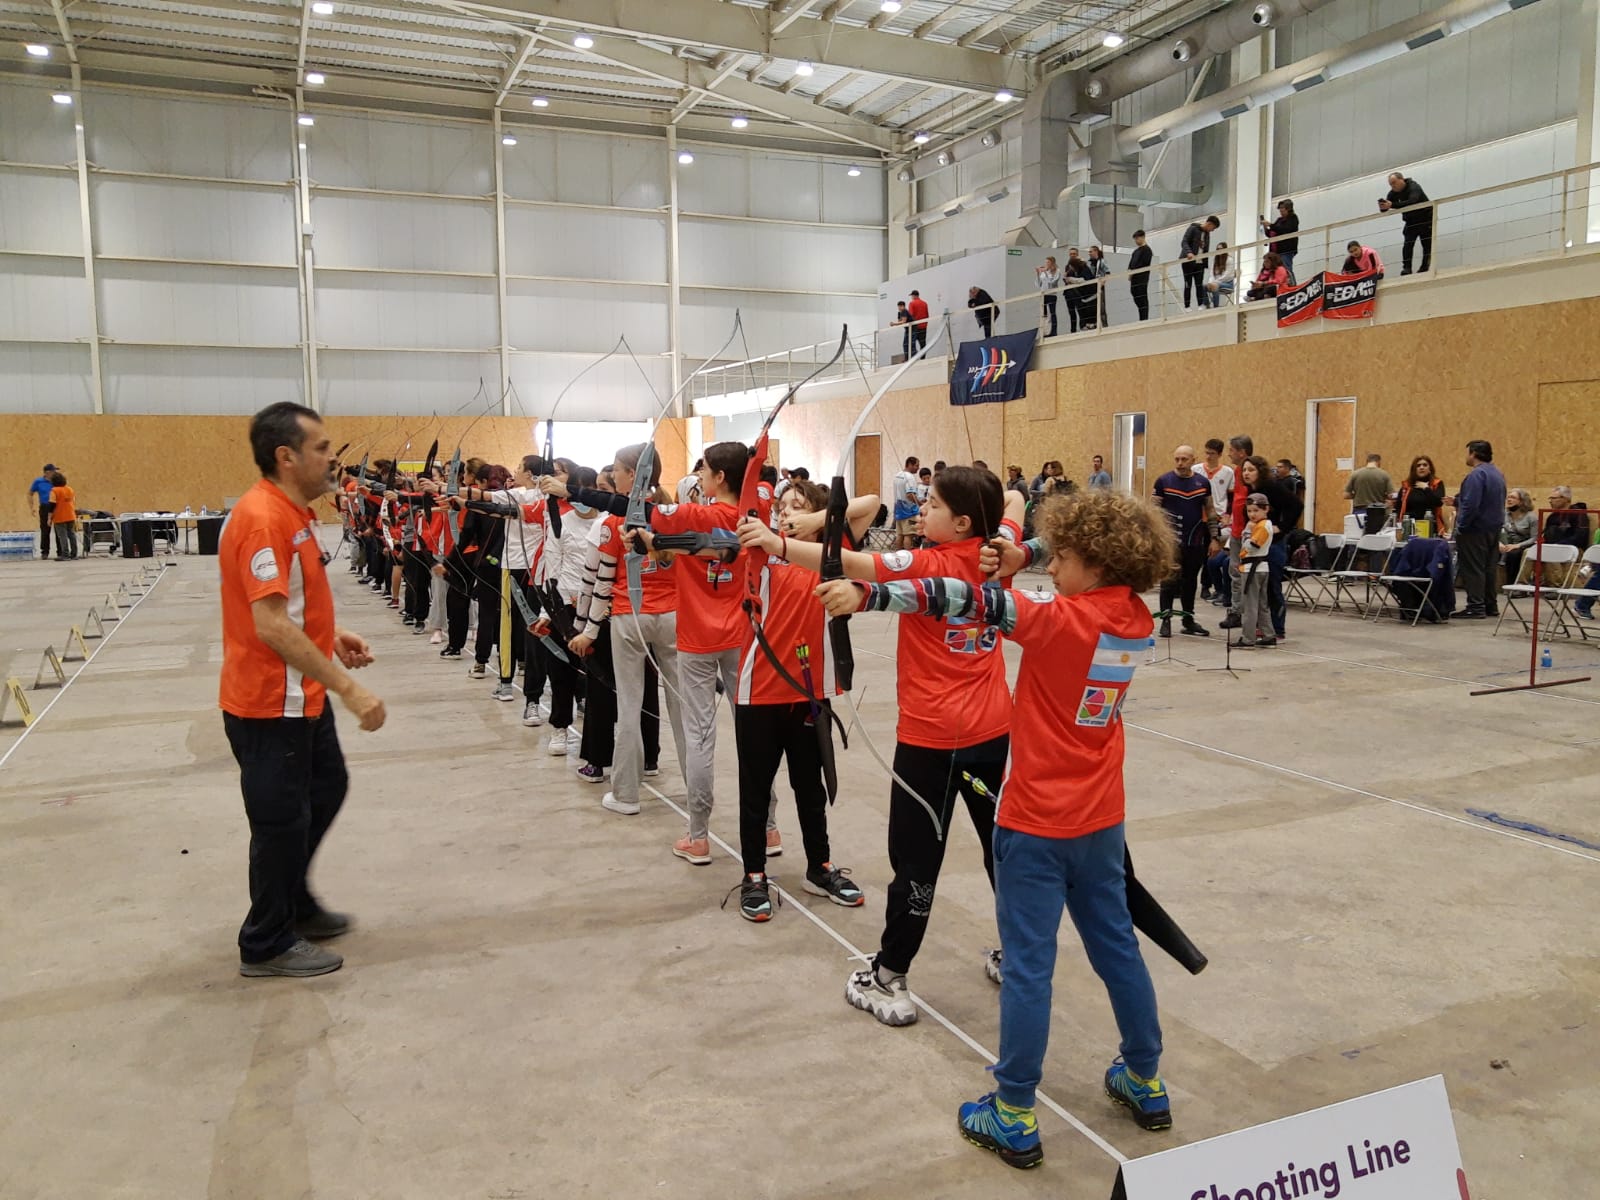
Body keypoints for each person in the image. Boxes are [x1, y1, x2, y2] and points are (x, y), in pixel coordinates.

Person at [818, 488, 1179, 1164]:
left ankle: (1013, 1110)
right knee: (1116, 949)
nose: (1052, 569)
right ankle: (1146, 1077)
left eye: (1062, 559)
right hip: (1101, 820)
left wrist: (867, 598)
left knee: (1029, 966)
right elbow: (1022, 562)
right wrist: (1026, 550)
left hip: (1038, 825)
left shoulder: (1058, 621)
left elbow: (965, 601)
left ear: (1093, 565)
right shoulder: (1133, 618)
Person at [751, 468, 1027, 1026]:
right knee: (1005, 851)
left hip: (931, 741)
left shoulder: (929, 562)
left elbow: (855, 567)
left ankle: (888, 976)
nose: (921, 510)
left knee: (917, 860)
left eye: (934, 505)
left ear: (963, 521)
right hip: (993, 733)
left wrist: (779, 542)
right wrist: (1004, 543)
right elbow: (1016, 497)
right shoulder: (1001, 555)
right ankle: (1021, 958)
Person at [219, 402, 385, 979]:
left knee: (326, 788)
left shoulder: (295, 514)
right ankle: (265, 940)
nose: (332, 459)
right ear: (285, 457)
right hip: (271, 703)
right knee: (280, 821)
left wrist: (331, 635)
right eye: (321, 449)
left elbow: (285, 606)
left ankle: (294, 902)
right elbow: (268, 624)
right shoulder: (264, 518)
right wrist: (350, 690)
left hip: (301, 695)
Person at [726, 480, 880, 920]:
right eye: (782, 507)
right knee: (755, 790)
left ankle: (820, 867)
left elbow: (871, 504)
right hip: (759, 693)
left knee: (810, 788)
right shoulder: (763, 549)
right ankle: (754, 875)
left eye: (798, 506)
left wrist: (819, 519)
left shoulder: (834, 557)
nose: (786, 514)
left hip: (811, 693)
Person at [1152, 447, 1215, 639]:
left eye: (1184, 459)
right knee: (1169, 582)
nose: (1180, 463)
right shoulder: (1163, 481)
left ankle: (1188, 620)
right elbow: (1153, 511)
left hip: (1194, 541)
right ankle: (1166, 620)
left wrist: (1215, 538)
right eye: (1177, 459)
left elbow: (1211, 511)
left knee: (1190, 583)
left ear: (1193, 460)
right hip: (1171, 542)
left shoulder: (1203, 483)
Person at [1453, 440, 1506, 619]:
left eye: (1467, 452)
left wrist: (1462, 526)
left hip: (1475, 530)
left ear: (1473, 453)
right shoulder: (1497, 474)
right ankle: (1490, 605)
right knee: (1489, 569)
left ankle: (1475, 606)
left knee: (1473, 568)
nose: (1466, 456)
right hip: (1493, 528)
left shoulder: (1477, 475)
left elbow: (1471, 504)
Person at [1232, 493, 1276, 648]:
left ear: (1266, 510)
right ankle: (1268, 634)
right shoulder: (1263, 525)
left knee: (1249, 605)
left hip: (1254, 569)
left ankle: (1248, 638)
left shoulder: (1261, 527)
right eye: (1249, 511)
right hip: (1259, 568)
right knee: (1261, 604)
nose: (1252, 514)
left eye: (1256, 510)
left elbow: (1251, 546)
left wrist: (1247, 533)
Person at [1379, 171, 1433, 274]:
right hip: (1411, 221)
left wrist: (1392, 205)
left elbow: (1413, 201)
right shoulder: (1392, 193)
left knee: (1426, 243)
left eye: (1394, 182)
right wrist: (1383, 206)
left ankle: (1425, 266)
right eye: (1390, 184)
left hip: (1425, 219)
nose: (1393, 186)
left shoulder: (1414, 187)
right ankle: (1407, 268)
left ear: (1401, 179)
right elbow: (1387, 206)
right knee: (1408, 244)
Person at [1393, 455, 1449, 535]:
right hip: (1409, 527)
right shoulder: (1407, 486)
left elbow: (1438, 502)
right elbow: (1398, 506)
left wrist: (1426, 488)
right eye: (1418, 465)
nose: (1421, 467)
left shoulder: (1436, 484)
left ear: (1430, 469)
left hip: (1431, 527)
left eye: (1425, 465)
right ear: (1414, 469)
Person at [1344, 453, 1393, 534]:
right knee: (1375, 539)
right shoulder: (1384, 474)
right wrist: (1383, 496)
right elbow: (1391, 495)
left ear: (1367, 461)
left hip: (1359, 513)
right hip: (1377, 513)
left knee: (1356, 537)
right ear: (1379, 462)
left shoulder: (1355, 474)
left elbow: (1346, 495)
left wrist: (1358, 494)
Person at [1180, 215, 1219, 309]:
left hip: (1200, 263)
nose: (1212, 230)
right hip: (1188, 261)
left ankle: (1200, 304)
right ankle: (1187, 306)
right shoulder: (1193, 229)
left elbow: (1205, 248)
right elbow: (1184, 242)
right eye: (1213, 228)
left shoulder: (1207, 234)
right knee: (1188, 284)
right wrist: (1189, 252)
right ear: (1209, 224)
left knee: (1199, 284)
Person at [1498, 488, 1537, 583]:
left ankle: (1513, 584)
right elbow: (1495, 531)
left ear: (1521, 502)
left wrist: (1517, 545)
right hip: (1505, 543)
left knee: (1513, 554)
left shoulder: (1531, 517)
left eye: (1513, 497)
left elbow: (1534, 538)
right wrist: (1498, 543)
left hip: (1523, 545)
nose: (1509, 500)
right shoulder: (1503, 514)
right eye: (1508, 497)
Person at [1260, 199, 1299, 282]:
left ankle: (1292, 286)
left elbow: (1285, 229)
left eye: (1282, 208)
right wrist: (1266, 227)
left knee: (1287, 269)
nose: (1281, 210)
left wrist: (1271, 225)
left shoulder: (1293, 219)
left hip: (1286, 250)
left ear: (1288, 209)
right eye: (1280, 208)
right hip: (1275, 251)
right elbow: (1272, 232)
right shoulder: (1279, 220)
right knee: (1276, 271)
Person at [892, 456, 921, 550]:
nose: (918, 468)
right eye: (916, 465)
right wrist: (920, 504)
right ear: (909, 465)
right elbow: (910, 495)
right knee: (909, 535)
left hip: (898, 511)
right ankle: (908, 557)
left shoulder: (897, 475)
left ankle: (897, 555)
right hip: (909, 512)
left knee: (900, 535)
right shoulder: (910, 477)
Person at [48, 471, 78, 560]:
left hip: (60, 516)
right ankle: (74, 553)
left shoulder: (54, 490)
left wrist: (49, 518)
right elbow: (73, 501)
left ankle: (65, 554)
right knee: (71, 534)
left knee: (62, 536)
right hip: (71, 515)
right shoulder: (70, 489)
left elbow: (52, 505)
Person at [28, 463, 56, 559]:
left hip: (56, 506)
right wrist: (32, 507)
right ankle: (44, 552)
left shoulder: (56, 481)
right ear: (47, 472)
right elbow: (30, 493)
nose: (55, 473)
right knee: (45, 530)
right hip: (44, 507)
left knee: (59, 529)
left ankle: (61, 551)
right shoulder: (38, 481)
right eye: (53, 471)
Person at [1062, 248, 1093, 333]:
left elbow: (1084, 278)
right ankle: (1073, 330)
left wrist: (1071, 280)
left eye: (1074, 254)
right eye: (1071, 254)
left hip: (1078, 292)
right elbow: (1065, 279)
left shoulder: (1082, 265)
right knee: (1071, 312)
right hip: (1069, 292)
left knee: (1080, 310)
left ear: (1077, 254)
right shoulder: (1067, 266)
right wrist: (1066, 279)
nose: (1072, 255)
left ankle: (1082, 326)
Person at [1128, 230, 1153, 321]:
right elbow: (1131, 264)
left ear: (1143, 237)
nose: (1136, 241)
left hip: (1142, 278)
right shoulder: (1135, 252)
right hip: (1134, 278)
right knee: (1135, 294)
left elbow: (1144, 263)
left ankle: (1144, 318)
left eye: (1137, 238)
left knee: (1142, 298)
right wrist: (1130, 272)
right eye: (1135, 239)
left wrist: (1133, 271)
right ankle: (1142, 317)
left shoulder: (1147, 250)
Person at [1085, 246, 1110, 329]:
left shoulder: (1102, 261)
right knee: (1092, 307)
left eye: (1091, 251)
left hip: (1099, 287)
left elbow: (1107, 272)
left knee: (1101, 307)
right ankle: (1094, 325)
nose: (1089, 253)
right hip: (1091, 288)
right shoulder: (1089, 263)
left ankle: (1105, 325)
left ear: (1096, 252)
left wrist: (1102, 284)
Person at [1203, 243, 1234, 307]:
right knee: (1202, 286)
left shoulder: (1230, 260)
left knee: (1215, 285)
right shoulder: (1215, 260)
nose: (1218, 250)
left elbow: (1227, 275)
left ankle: (1216, 306)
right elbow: (1211, 274)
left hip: (1227, 283)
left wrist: (1215, 282)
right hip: (1216, 282)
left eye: (1220, 249)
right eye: (1217, 249)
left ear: (1225, 249)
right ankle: (1207, 305)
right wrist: (1210, 283)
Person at [1035, 256, 1060, 337]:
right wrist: (1038, 274)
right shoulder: (1043, 272)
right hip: (1043, 294)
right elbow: (1038, 284)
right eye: (1046, 262)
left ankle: (1053, 331)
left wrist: (1045, 273)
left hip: (1051, 294)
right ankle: (1045, 331)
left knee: (1052, 313)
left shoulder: (1057, 271)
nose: (1046, 264)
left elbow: (1052, 283)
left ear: (1052, 263)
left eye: (1048, 262)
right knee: (1044, 313)